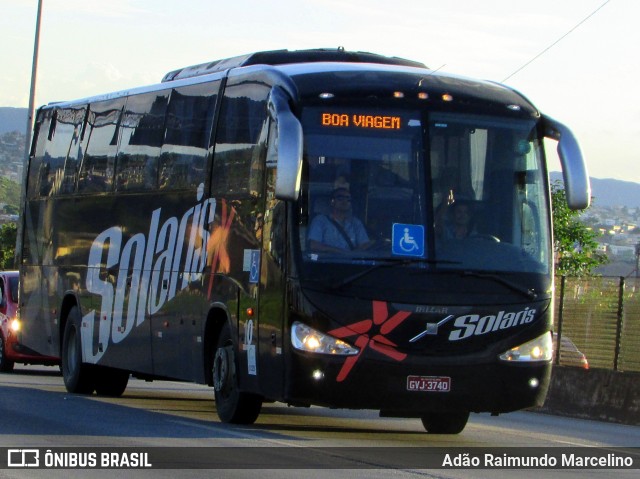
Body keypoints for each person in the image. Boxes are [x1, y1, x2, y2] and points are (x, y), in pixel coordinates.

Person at [308, 188, 373, 253]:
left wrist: (352, 255)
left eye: (348, 199)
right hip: (327, 261)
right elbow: (314, 246)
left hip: (351, 262)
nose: (345, 201)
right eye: (340, 198)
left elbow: (365, 244)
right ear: (332, 201)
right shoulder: (320, 220)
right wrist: (341, 253)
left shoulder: (356, 223)